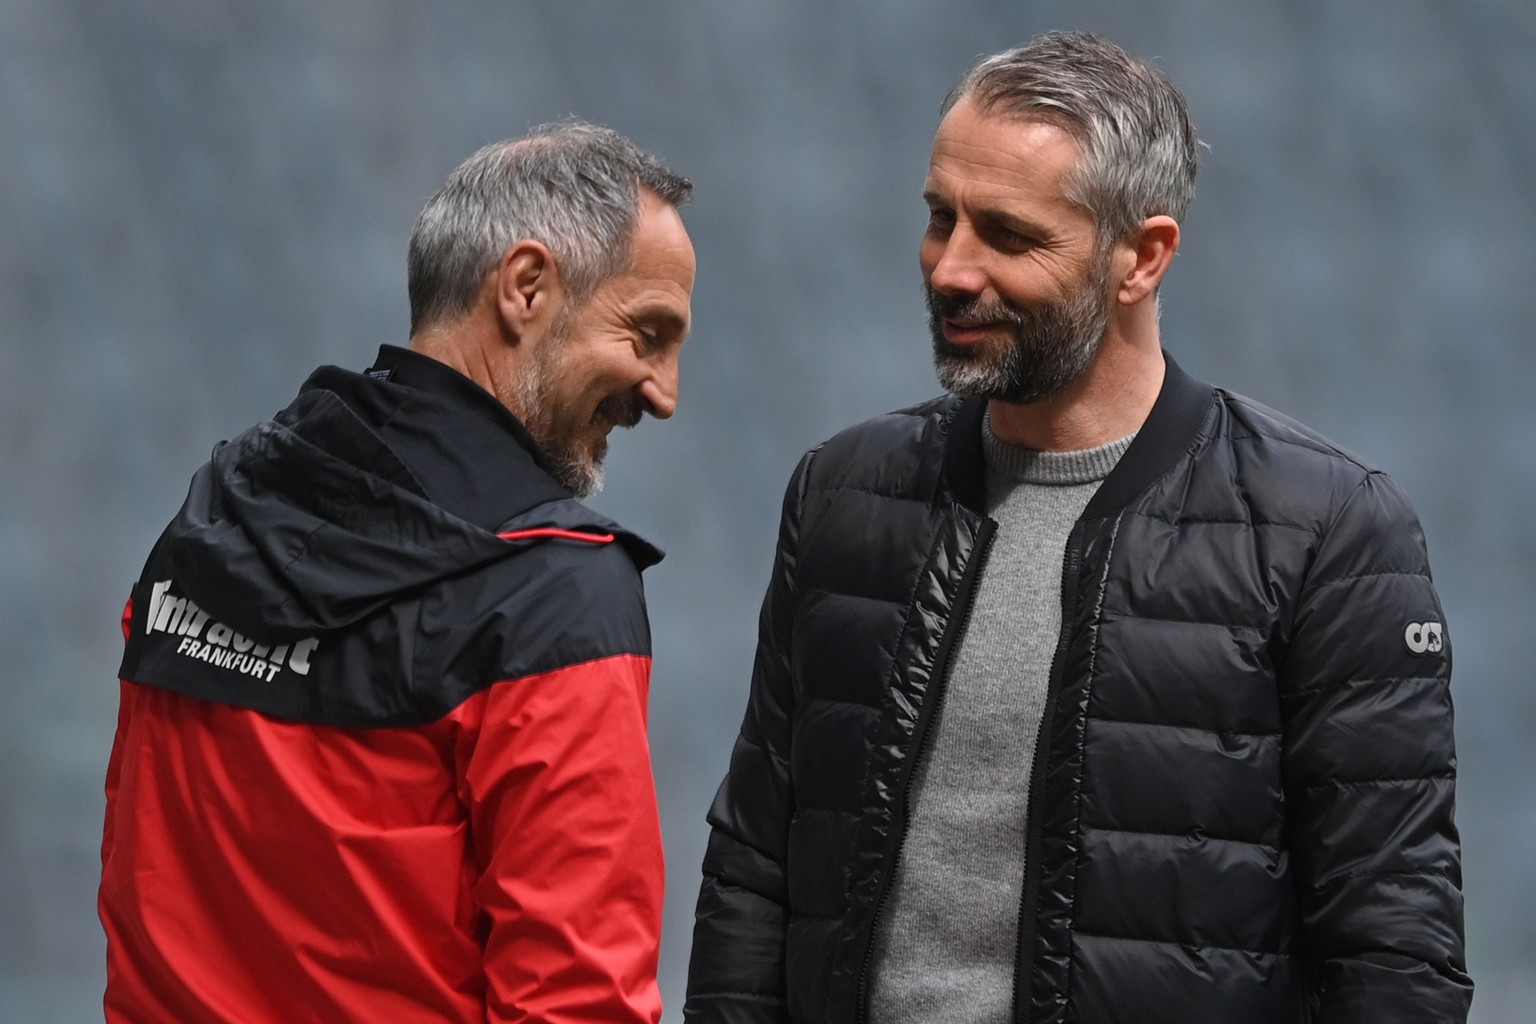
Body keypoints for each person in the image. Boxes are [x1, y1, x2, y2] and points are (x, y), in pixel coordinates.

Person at [684, 30, 1471, 1024]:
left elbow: (1391, 948)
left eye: (1009, 236)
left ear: (1142, 257)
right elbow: (755, 864)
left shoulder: (1330, 532)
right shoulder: (845, 493)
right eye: (940, 218)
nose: (952, 269)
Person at [99, 121, 695, 1023]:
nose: (662, 390)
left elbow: (139, 881)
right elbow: (578, 1001)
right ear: (526, 287)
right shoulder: (556, 589)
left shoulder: (211, 514)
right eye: (646, 333)